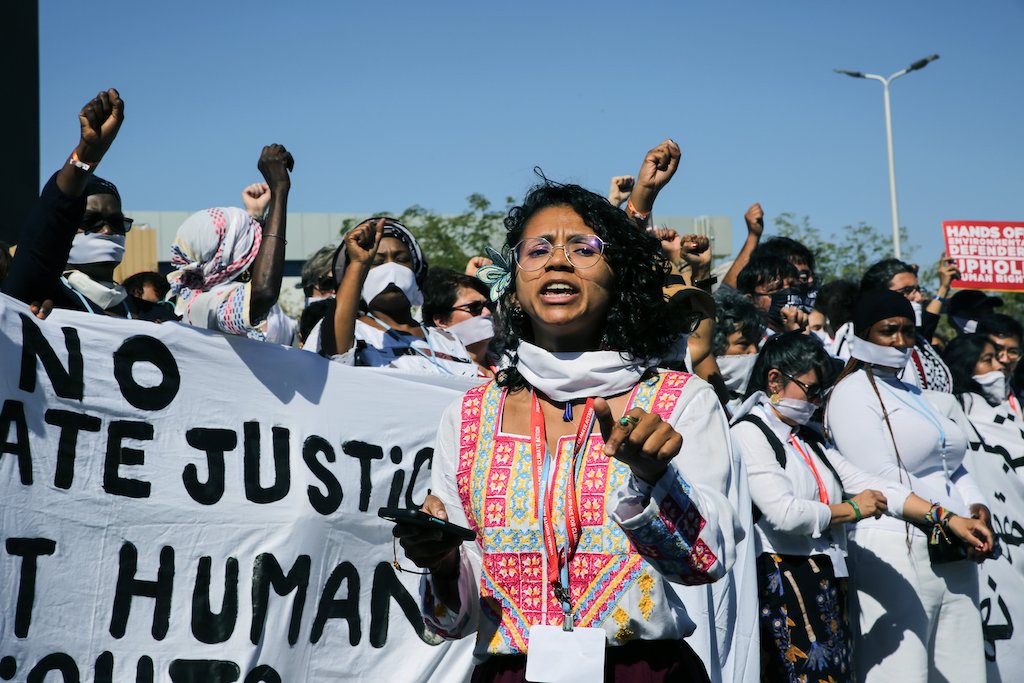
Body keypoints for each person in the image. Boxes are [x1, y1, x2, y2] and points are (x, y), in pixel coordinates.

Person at [396, 178, 740, 681]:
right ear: (512, 286)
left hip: (642, 672)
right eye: (537, 250)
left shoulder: (679, 400)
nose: (558, 260)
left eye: (584, 248)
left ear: (619, 277)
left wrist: (654, 481)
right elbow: (449, 622)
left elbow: (704, 565)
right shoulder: (470, 416)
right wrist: (444, 562)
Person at [825, 290, 993, 682]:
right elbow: (879, 477)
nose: (901, 341)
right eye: (888, 331)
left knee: (964, 670)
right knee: (903, 672)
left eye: (907, 331)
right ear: (864, 333)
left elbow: (953, 463)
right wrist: (948, 517)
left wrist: (976, 506)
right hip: (894, 545)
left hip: (952, 546)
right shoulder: (850, 393)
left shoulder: (917, 394)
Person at [3, 89, 173, 321]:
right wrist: (87, 154)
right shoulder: (42, 302)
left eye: (116, 222)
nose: (107, 231)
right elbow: (52, 217)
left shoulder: (157, 317)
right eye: (91, 221)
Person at [944, 333, 1024, 681]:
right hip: (984, 537)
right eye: (987, 359)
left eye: (1002, 357)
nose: (998, 366)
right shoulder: (952, 411)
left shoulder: (1008, 412)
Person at [166, 144, 294, 341]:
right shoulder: (202, 308)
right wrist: (279, 191)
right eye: (255, 247)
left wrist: (256, 215)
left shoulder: (200, 298)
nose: (264, 253)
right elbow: (263, 292)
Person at [319, 217, 477, 376]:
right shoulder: (352, 333)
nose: (391, 269)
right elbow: (336, 358)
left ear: (416, 270)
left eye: (401, 260)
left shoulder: (447, 340)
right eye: (377, 262)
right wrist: (359, 262)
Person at [854, 258, 952, 392]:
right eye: (906, 290)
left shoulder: (917, 341)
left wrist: (944, 288)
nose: (917, 297)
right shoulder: (863, 344)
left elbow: (929, 321)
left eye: (918, 289)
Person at [421, 267, 497, 376]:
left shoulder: (512, 361)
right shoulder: (435, 370)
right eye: (475, 307)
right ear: (442, 320)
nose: (487, 312)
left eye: (489, 305)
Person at [976, 313, 1024, 412]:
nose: (1005, 359)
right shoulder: (960, 398)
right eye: (997, 349)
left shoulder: (1019, 397)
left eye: (1013, 352)